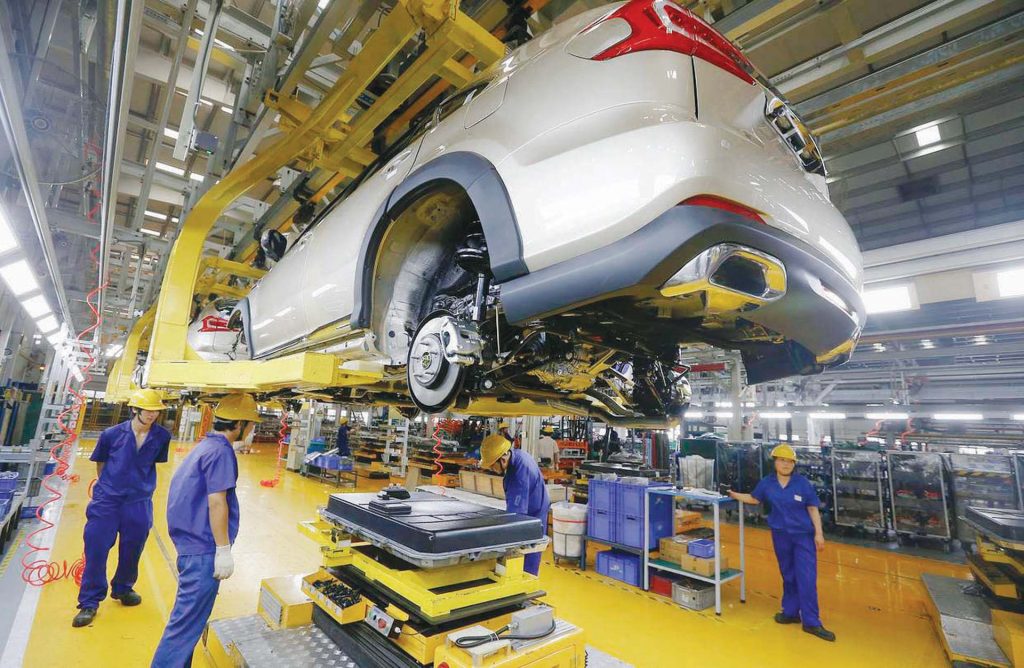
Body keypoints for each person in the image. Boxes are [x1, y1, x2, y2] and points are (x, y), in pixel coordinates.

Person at [151, 394, 260, 667]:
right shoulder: (221, 452)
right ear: (239, 424)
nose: (252, 430)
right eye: (251, 425)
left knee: (188, 624)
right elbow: (217, 501)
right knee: (184, 627)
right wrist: (223, 550)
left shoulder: (205, 446)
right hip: (202, 551)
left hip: (190, 545)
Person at [73, 389, 171, 628]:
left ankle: (123, 588)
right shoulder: (111, 434)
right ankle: (89, 602)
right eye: (147, 410)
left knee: (133, 548)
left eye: (156, 411)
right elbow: (101, 463)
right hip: (107, 502)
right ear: (135, 409)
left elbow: (152, 464)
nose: (152, 415)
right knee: (96, 548)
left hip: (139, 502)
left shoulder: (162, 437)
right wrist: (109, 488)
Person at [728, 444, 835, 642]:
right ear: (775, 462)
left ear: (794, 464)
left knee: (807, 578)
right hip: (780, 535)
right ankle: (791, 612)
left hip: (803, 536)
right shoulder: (767, 483)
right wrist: (733, 494)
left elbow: (813, 509)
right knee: (788, 575)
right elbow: (754, 499)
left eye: (790, 461)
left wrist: (819, 534)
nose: (786, 464)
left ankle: (811, 622)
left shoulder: (802, 483)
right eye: (782, 460)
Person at [479, 433, 550, 576]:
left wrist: (503, 538)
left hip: (533, 514)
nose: (492, 469)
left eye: (492, 465)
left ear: (503, 459)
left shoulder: (519, 475)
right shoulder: (517, 456)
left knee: (528, 551)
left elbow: (517, 515)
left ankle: (526, 583)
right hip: (536, 507)